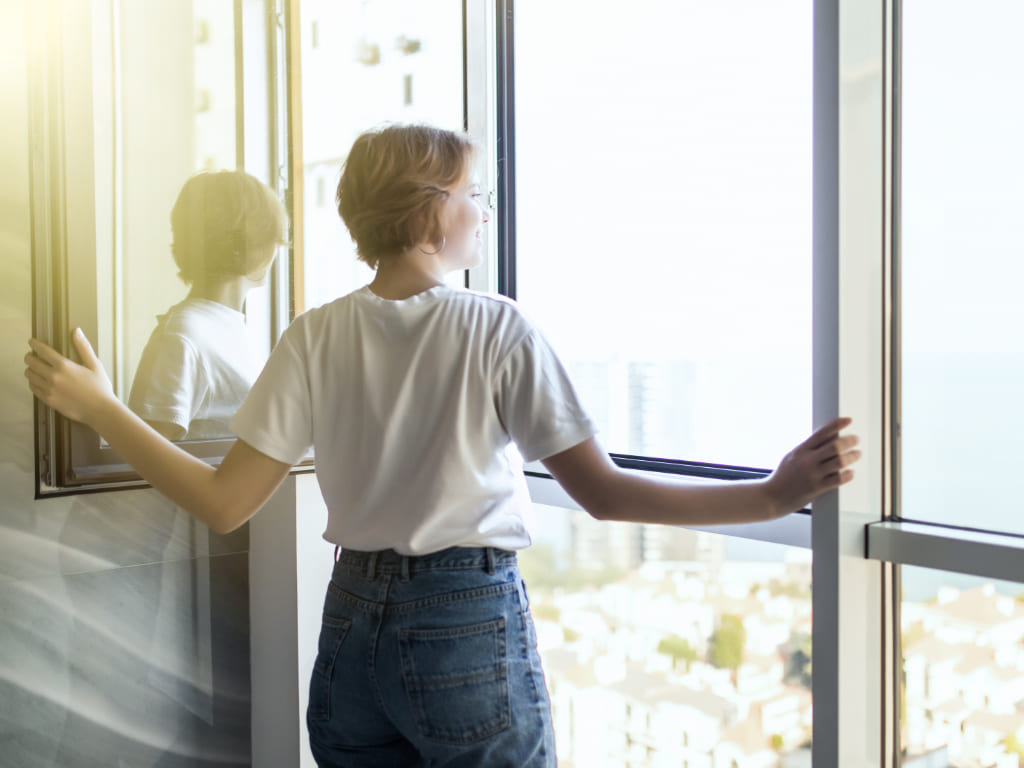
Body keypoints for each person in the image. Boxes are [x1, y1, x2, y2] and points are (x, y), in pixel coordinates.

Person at [25, 123, 861, 768]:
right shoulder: (494, 325)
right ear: (429, 208)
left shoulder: (313, 334)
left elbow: (223, 501)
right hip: (463, 618)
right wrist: (770, 495)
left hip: (351, 630)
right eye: (472, 193)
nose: (483, 210)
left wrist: (104, 411)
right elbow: (605, 494)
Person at [129, 169, 288, 441]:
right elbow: (147, 454)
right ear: (249, 244)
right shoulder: (183, 336)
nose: (277, 248)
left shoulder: (227, 328)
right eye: (271, 238)